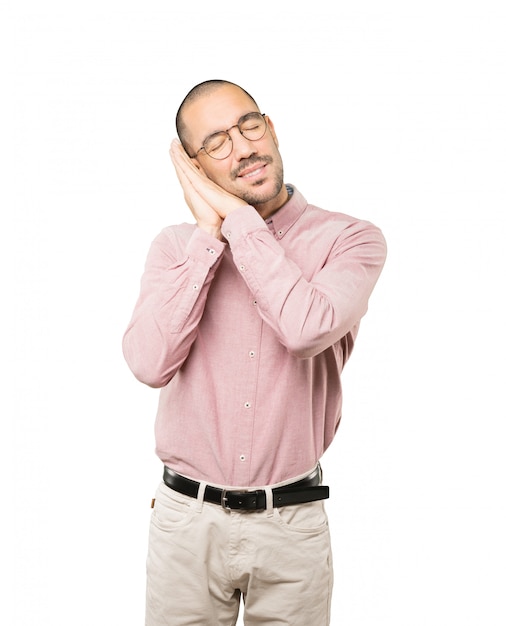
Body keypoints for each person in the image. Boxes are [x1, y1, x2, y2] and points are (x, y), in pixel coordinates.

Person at [122, 79, 387, 625]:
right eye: (216, 142)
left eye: (249, 125)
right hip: (185, 527)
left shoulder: (351, 239)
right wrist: (209, 236)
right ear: (194, 168)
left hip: (292, 526)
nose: (243, 148)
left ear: (272, 129)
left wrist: (237, 222)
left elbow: (305, 329)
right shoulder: (175, 248)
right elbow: (149, 363)